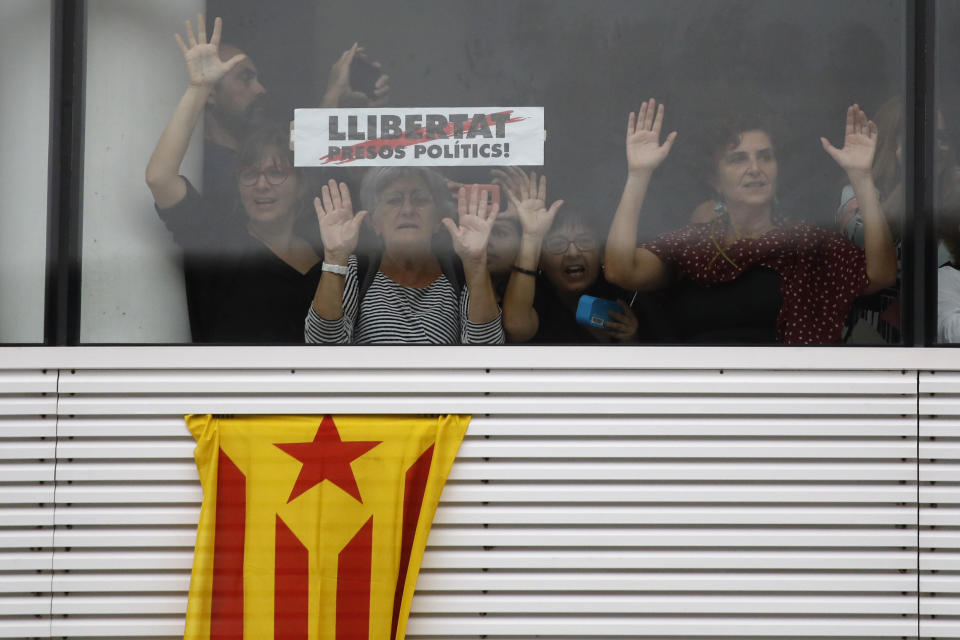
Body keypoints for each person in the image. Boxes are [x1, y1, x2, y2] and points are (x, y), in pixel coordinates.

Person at [603, 99, 897, 344]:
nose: (755, 169)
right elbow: (620, 270)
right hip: (698, 400)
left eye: (765, 157)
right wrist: (638, 175)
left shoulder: (805, 244)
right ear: (714, 180)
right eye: (738, 159)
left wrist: (861, 177)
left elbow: (881, 274)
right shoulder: (692, 245)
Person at [145, 15, 322, 343]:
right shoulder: (217, 241)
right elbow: (159, 177)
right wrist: (198, 89)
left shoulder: (326, 253)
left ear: (302, 185)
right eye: (249, 173)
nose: (262, 184)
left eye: (277, 171)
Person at [304, 168, 504, 344]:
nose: (408, 210)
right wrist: (335, 256)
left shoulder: (461, 272)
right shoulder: (355, 269)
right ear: (374, 222)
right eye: (394, 201)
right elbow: (321, 344)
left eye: (420, 200)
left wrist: (476, 262)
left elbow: (487, 349)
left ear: (437, 220)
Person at [500, 168, 640, 343]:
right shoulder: (532, 298)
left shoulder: (624, 298)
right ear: (540, 260)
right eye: (558, 244)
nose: (573, 253)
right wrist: (531, 236)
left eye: (585, 241)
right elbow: (516, 327)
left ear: (602, 255)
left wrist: (631, 340)